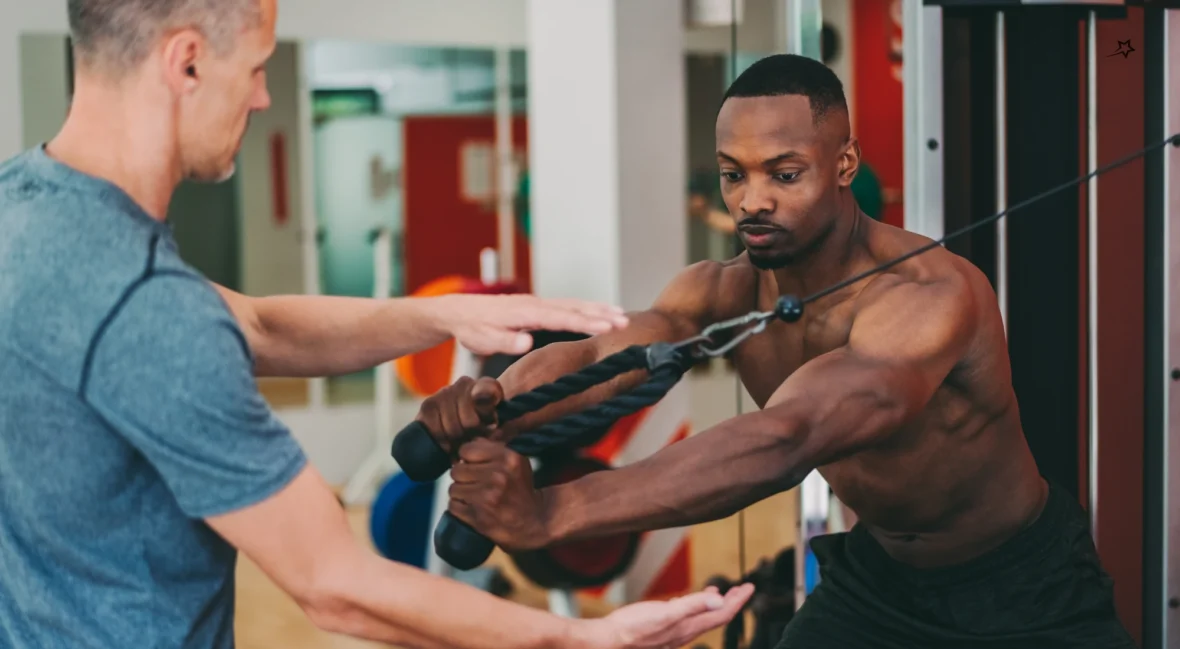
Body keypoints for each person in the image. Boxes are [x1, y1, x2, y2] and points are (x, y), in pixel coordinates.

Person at [0, 1, 755, 648]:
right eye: (258, 66)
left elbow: (258, 326)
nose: (264, 97)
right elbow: (336, 582)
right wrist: (577, 634)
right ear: (187, 62)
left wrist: (442, 312)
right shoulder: (148, 309)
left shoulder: (22, 207)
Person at [412, 54, 1138, 648]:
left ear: (845, 162)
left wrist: (553, 512)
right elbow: (608, 356)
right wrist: (500, 406)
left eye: (783, 174)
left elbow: (785, 438)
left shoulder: (929, 296)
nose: (752, 200)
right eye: (734, 174)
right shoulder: (722, 291)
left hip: (1021, 588)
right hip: (877, 580)